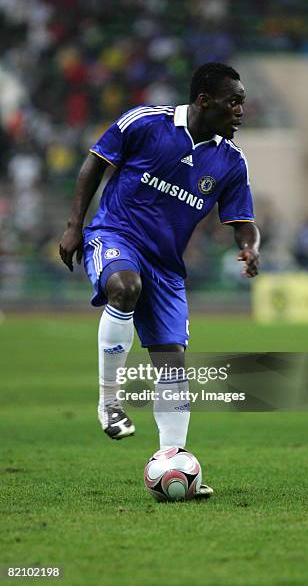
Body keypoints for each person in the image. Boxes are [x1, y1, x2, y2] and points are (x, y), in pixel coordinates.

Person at [59, 62, 260, 498]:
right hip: (116, 234)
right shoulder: (146, 123)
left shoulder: (230, 161)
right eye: (234, 102)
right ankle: (109, 402)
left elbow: (243, 220)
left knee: (171, 362)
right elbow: (93, 166)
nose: (241, 111)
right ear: (204, 101)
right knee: (124, 288)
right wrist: (75, 225)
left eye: (242, 103)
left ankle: (174, 460)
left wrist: (250, 246)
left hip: (167, 266)